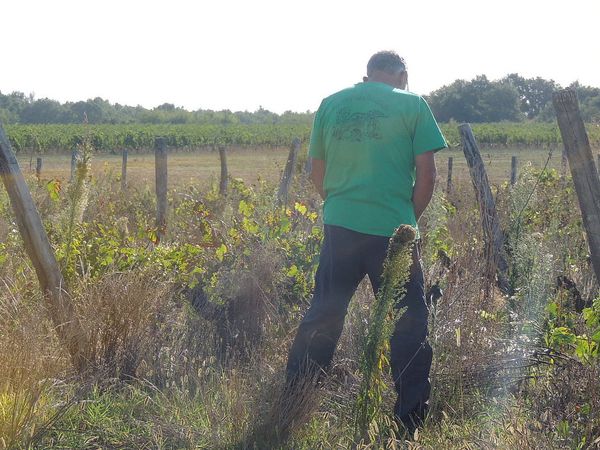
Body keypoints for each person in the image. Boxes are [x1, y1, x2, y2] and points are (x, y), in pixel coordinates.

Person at [284, 50, 447, 433]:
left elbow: (315, 171)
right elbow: (428, 177)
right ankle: (409, 422)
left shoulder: (332, 103)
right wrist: (406, 221)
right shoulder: (413, 105)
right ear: (402, 75)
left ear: (367, 75)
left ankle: (295, 401)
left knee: (325, 312)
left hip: (340, 225)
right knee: (408, 323)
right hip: (393, 232)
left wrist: (343, 207)